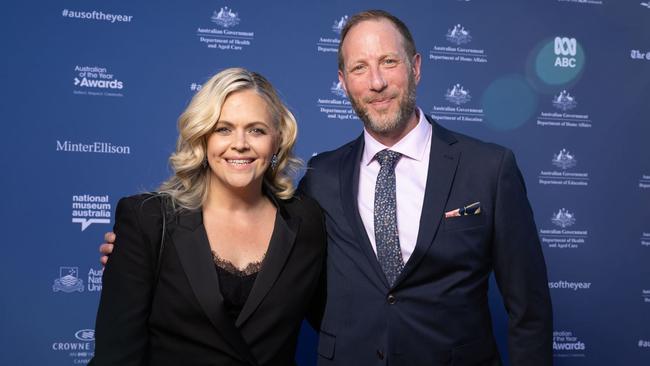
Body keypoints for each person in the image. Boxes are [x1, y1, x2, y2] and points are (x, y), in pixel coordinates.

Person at [101, 10, 553, 366]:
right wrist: (136, 255)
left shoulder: (489, 168)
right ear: (342, 83)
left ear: (415, 67)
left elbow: (529, 310)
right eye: (359, 68)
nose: (375, 82)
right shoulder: (323, 177)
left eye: (388, 62)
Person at [91, 68, 326, 366]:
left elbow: (342, 314)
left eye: (256, 130)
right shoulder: (148, 221)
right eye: (223, 129)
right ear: (203, 138)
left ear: (277, 140)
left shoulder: (307, 221)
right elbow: (117, 356)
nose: (240, 143)